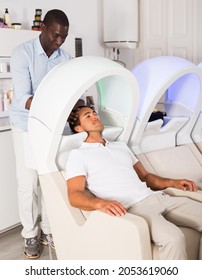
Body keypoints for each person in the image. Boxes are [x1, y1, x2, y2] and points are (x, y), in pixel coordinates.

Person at [66, 106, 202, 260]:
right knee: (173, 238)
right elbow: (74, 195)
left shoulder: (121, 146)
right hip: (135, 208)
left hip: (158, 197)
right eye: (87, 116)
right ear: (78, 128)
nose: (94, 117)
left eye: (95, 113)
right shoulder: (79, 155)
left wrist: (174, 182)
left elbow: (145, 177)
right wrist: (99, 204)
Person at [9, 9, 83, 259]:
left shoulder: (65, 58)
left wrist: (78, 107)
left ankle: (49, 230)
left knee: (51, 180)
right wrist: (57, 106)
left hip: (55, 127)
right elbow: (23, 98)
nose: (59, 42)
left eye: (64, 37)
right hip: (27, 126)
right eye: (55, 36)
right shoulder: (23, 53)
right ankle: (30, 234)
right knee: (28, 183)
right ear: (42, 29)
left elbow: (71, 91)